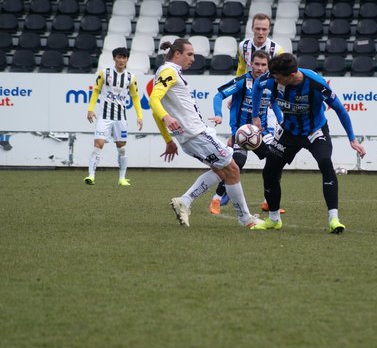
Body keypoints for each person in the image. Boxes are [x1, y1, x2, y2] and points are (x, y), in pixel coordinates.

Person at [149, 38, 265, 230]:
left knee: (221, 172)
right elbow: (154, 100)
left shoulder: (166, 72)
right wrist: (167, 118)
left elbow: (155, 109)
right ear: (177, 54)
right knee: (233, 169)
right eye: (189, 54)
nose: (193, 59)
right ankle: (246, 218)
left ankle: (185, 201)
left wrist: (169, 139)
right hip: (197, 134)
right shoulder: (169, 71)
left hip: (188, 138)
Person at [251, 53, 366, 233]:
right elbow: (257, 86)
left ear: (291, 75)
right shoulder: (272, 77)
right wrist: (255, 116)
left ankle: (334, 219)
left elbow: (340, 110)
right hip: (289, 131)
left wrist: (352, 139)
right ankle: (273, 219)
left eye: (278, 77)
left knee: (325, 163)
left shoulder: (315, 84)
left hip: (315, 130)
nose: (274, 79)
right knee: (269, 170)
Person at [208, 50, 285, 215]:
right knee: (237, 163)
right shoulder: (243, 81)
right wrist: (218, 115)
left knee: (276, 160)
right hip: (242, 132)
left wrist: (282, 121)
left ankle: (269, 202)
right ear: (250, 64)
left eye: (264, 64)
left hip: (261, 132)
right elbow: (218, 95)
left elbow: (275, 103)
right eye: (256, 64)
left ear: (268, 66)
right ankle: (216, 199)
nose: (260, 67)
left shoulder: (271, 82)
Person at [84, 47, 143, 186]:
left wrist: (139, 116)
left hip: (120, 118)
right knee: (98, 144)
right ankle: (91, 176)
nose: (121, 60)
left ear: (127, 59)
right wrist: (90, 109)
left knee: (121, 147)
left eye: (124, 57)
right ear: (114, 58)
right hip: (104, 117)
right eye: (119, 57)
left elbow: (135, 97)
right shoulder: (104, 73)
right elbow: (96, 91)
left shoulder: (130, 77)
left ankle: (122, 178)